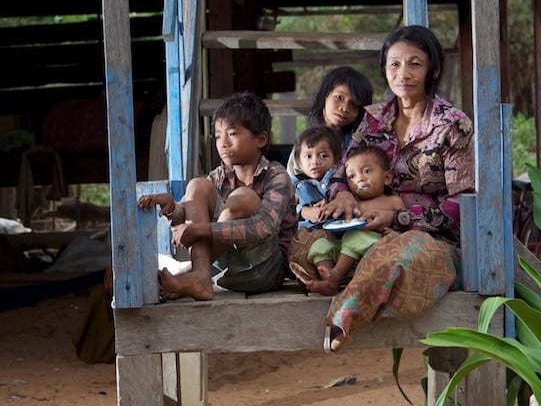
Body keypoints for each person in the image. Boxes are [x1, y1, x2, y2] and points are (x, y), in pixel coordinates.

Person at [319, 25, 475, 352]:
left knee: (400, 253)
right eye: (394, 64)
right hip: (366, 227)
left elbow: (462, 207)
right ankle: (339, 277)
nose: (403, 73)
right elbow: (341, 169)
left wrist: (399, 216)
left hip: (433, 239)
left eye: (415, 63)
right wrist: (343, 193)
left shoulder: (453, 124)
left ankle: (343, 316)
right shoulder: (373, 117)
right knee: (308, 241)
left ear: (433, 69)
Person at [137, 92, 297, 300]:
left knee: (243, 198)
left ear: (261, 139)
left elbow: (263, 226)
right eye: (218, 135)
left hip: (265, 270)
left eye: (232, 134)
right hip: (224, 268)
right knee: (197, 185)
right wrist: (170, 208)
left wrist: (200, 229)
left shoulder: (276, 175)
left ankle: (192, 274)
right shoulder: (220, 176)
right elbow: (190, 215)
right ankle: (200, 278)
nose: (223, 143)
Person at [291, 145, 405, 296]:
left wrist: (394, 232)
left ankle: (336, 277)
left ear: (387, 178)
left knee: (355, 237)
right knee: (320, 245)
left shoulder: (393, 201)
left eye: (367, 171)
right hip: (348, 250)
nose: (360, 178)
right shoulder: (352, 204)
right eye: (352, 176)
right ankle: (329, 278)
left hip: (376, 248)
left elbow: (406, 225)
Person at [286, 66, 373, 176]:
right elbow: (290, 181)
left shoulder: (359, 146)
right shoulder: (306, 142)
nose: (344, 108)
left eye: (353, 104)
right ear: (325, 95)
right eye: (339, 98)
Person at [291, 126, 342, 228]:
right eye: (308, 156)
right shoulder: (294, 184)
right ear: (299, 163)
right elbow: (282, 208)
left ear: (335, 160)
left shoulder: (339, 179)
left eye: (323, 156)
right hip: (303, 235)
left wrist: (331, 200)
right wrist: (302, 211)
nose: (315, 161)